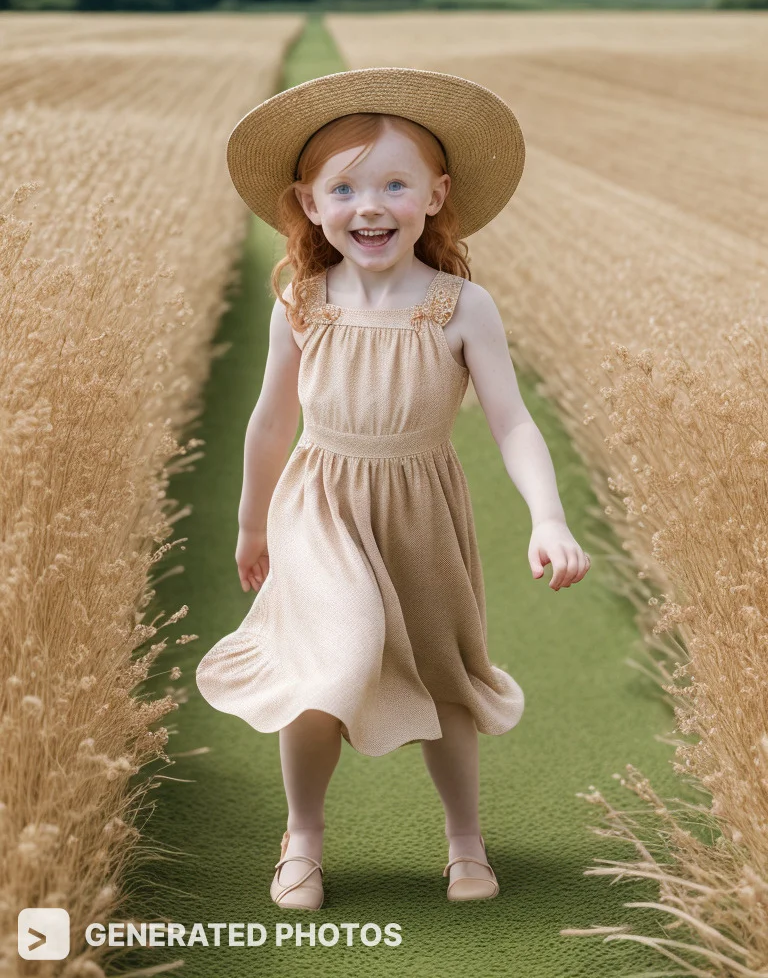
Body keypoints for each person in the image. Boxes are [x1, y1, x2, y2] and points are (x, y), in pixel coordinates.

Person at [196, 67, 590, 911]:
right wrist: (251, 526)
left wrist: (546, 517)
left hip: (422, 511)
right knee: (325, 664)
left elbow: (513, 422)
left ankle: (465, 843)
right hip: (320, 506)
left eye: (394, 185)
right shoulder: (301, 304)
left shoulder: (461, 307)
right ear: (309, 204)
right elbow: (270, 423)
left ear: (435, 196)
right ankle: (302, 837)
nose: (368, 205)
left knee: (441, 671)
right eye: (344, 187)